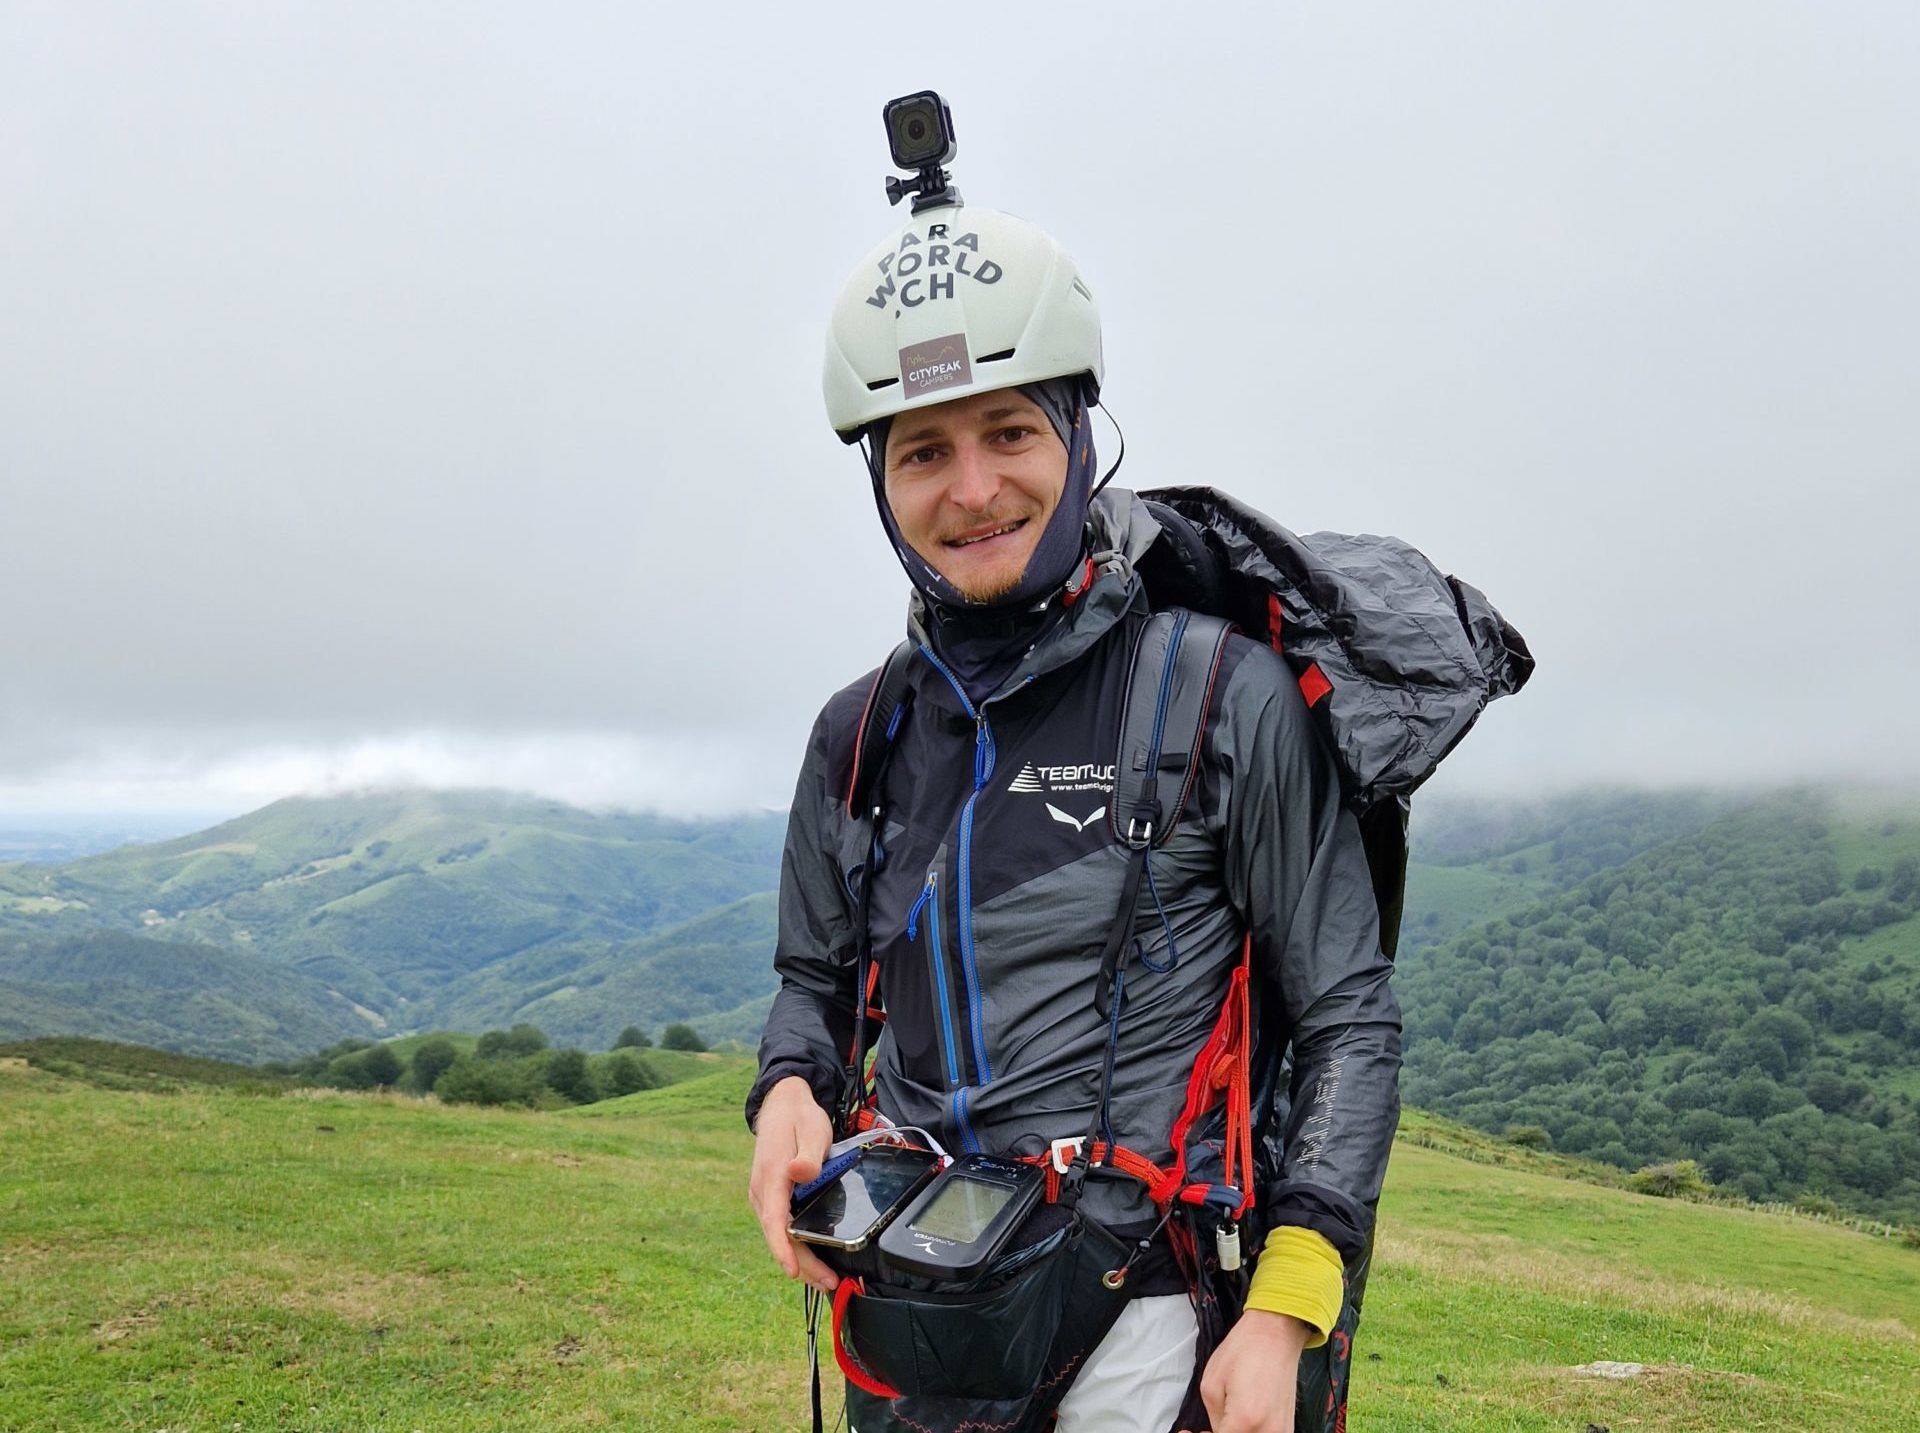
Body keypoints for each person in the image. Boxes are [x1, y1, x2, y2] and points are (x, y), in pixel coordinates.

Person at [746, 192, 1401, 1433]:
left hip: (1146, 1323)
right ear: (880, 479)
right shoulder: (860, 734)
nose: (973, 488)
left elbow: (1347, 1014)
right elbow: (813, 980)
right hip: (914, 1309)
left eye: (1009, 432)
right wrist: (790, 1087)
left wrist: (1285, 1307)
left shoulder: (1220, 695)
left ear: (1078, 433)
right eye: (922, 451)